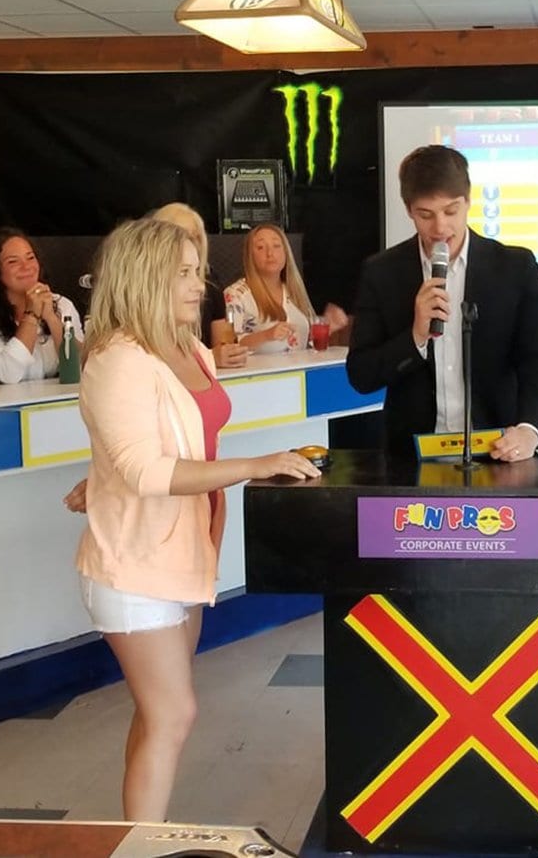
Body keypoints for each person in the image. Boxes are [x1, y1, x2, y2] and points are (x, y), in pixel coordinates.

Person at [75, 218, 319, 822]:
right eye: (182, 273)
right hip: (135, 564)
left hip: (183, 554)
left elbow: (161, 438)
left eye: (196, 270)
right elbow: (143, 469)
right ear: (143, 277)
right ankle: (141, 845)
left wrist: (101, 475)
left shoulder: (186, 345)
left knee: (158, 712)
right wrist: (254, 464)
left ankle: (135, 834)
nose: (198, 284)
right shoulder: (117, 357)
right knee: (173, 712)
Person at [346, 144, 538, 462]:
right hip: (411, 460)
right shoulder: (382, 272)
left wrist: (529, 429)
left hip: (500, 450)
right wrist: (415, 337)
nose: (440, 228)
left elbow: (537, 362)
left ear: (469, 201)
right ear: (408, 210)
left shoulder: (515, 268)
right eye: (425, 215)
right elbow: (361, 375)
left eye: (451, 211)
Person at [0, 227, 83, 384]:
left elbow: (82, 366)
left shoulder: (62, 304)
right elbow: (8, 374)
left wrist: (52, 319)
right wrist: (31, 315)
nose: (26, 267)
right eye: (13, 262)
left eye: (30, 258)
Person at [149, 203, 249, 369]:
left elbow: (222, 343)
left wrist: (222, 356)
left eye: (196, 236)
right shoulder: (143, 292)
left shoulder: (211, 283)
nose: (192, 242)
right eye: (183, 235)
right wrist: (209, 358)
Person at [224, 223, 347, 351]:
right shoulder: (235, 294)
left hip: (298, 369)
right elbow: (229, 346)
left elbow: (307, 344)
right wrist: (266, 335)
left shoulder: (294, 290)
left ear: (286, 252)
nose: (270, 253)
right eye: (260, 247)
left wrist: (328, 326)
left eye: (276, 246)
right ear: (250, 256)